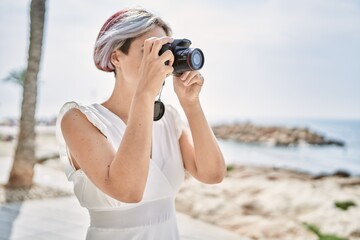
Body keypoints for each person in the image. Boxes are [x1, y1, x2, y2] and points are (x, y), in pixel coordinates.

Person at [56, 7, 226, 240]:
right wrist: (145, 94)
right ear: (116, 57)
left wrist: (191, 104)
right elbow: (128, 190)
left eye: (163, 52)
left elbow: (213, 174)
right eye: (149, 51)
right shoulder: (79, 120)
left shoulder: (170, 119)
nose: (158, 62)